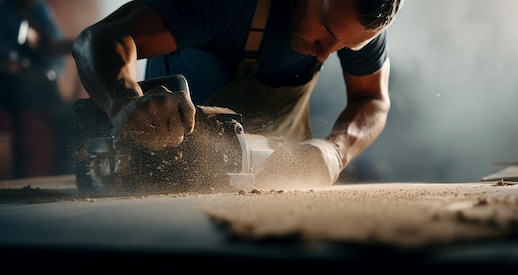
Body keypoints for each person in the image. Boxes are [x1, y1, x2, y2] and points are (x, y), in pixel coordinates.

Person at [72, 0, 404, 188]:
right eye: (327, 32)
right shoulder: (231, 5)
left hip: (273, 189)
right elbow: (100, 39)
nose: (324, 55)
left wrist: (335, 151)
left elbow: (371, 100)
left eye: (346, 46)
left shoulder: (358, 21)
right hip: (161, 173)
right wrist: (125, 102)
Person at [0, 0, 75, 179]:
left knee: (68, 119)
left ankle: (64, 172)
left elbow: (54, 46)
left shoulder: (40, 9)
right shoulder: (4, 14)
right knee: (64, 118)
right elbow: (7, 57)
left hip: (41, 80)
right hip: (14, 82)